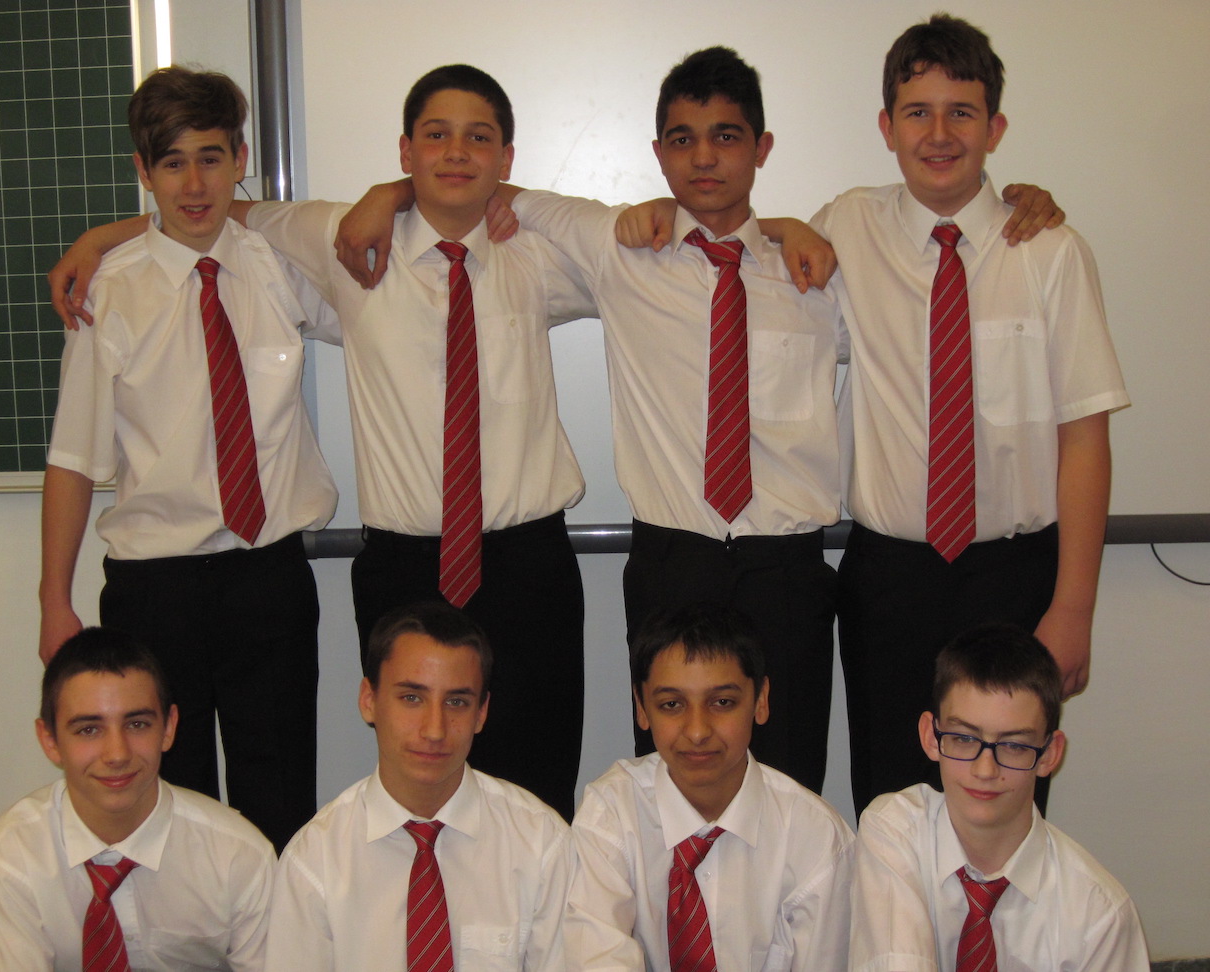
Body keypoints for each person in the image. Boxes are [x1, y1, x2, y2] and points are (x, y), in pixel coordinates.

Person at [339, 48, 1061, 796]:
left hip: (786, 570)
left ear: (762, 148)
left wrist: (791, 227)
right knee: (670, 791)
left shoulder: (818, 265)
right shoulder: (621, 249)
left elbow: (925, 260)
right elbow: (480, 183)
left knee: (787, 787)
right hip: (672, 564)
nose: (705, 157)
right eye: (683, 140)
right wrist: (389, 193)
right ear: (658, 154)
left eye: (727, 136)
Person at [48, 64, 595, 821]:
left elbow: (654, 240)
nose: (455, 152)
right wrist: (104, 237)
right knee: (183, 799)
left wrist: (420, 194)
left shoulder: (521, 251)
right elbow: (208, 218)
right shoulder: (326, 251)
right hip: (204, 577)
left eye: (477, 139)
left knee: (523, 787)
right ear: (404, 149)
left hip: (459, 566)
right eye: (435, 136)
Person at [806, 14, 1129, 816]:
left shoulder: (1051, 252)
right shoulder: (850, 226)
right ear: (886, 127)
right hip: (890, 578)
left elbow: (1085, 438)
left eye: (962, 112)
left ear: (996, 128)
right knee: (892, 803)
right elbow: (767, 257)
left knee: (1005, 802)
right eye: (917, 112)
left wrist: (1074, 607)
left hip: (1015, 577)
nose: (939, 133)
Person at [39, 66, 338, 850]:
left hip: (268, 576)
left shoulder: (279, 263)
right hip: (155, 588)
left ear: (241, 159)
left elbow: (372, 241)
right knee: (169, 809)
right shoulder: (110, 291)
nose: (195, 183)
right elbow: (72, 459)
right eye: (172, 163)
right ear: (144, 172)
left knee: (280, 800)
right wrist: (53, 600)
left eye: (211, 157)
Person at [266, 602, 573, 970]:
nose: (434, 729)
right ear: (368, 700)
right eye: (412, 698)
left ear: (481, 713)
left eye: (456, 702)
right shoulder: (314, 860)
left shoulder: (540, 843)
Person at [0, 628, 274, 972]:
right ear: (50, 740)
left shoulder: (239, 857)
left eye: (137, 724)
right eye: (89, 729)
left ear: (168, 727)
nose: (117, 754)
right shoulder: (15, 853)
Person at [566, 603, 855, 970]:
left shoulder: (816, 839)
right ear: (641, 707)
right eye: (672, 704)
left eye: (722, 702)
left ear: (760, 700)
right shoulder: (611, 815)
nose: (698, 731)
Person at [851, 623, 1149, 970]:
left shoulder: (1099, 917)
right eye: (964, 739)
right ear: (931, 737)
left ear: (1049, 755)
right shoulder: (895, 833)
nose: (985, 770)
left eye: (1014, 745)